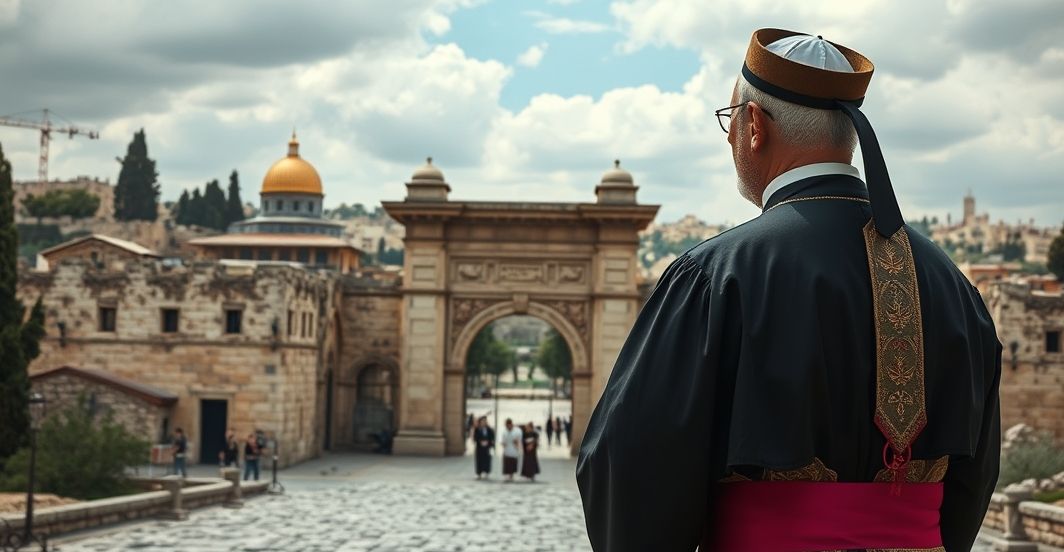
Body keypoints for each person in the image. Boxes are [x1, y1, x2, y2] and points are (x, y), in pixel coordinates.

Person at [577, 28, 1000, 552]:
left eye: (729, 120)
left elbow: (630, 460)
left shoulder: (715, 276)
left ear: (753, 126)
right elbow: (974, 477)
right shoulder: (953, 285)